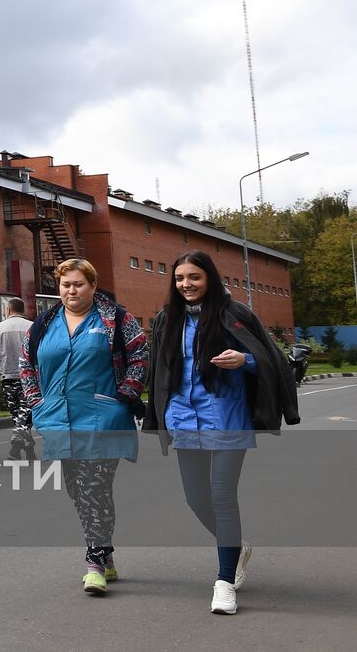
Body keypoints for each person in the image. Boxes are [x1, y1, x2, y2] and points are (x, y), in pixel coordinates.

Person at [142, 250, 299, 615]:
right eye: (180, 278)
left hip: (226, 417)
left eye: (194, 277)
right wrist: (156, 415)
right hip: (184, 418)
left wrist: (246, 360)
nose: (186, 284)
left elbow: (270, 357)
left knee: (222, 496)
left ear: (209, 278)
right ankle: (237, 547)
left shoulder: (236, 314)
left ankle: (224, 581)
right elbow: (160, 372)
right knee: (196, 499)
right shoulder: (168, 319)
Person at [21, 258, 147, 597]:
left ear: (92, 285)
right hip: (59, 418)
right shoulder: (44, 323)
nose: (71, 290)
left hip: (103, 417)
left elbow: (139, 354)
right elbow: (26, 364)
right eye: (65, 284)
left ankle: (94, 561)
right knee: (77, 490)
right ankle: (105, 554)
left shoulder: (115, 319)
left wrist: (128, 392)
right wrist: (36, 400)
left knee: (94, 488)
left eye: (78, 284)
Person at [0, 297, 35, 459]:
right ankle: (27, 450)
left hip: (7, 376)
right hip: (29, 377)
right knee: (25, 413)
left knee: (17, 414)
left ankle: (19, 449)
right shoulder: (32, 327)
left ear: (8, 310)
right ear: (22, 310)